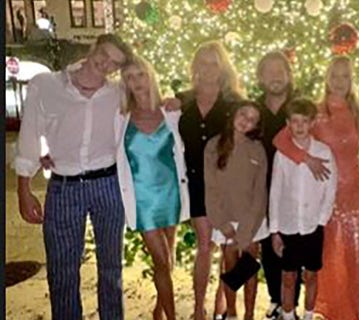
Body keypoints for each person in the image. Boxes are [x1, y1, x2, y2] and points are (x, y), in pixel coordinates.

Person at [15, 34, 132, 320]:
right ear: (94, 47)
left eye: (114, 64)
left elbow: (147, 113)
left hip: (108, 185)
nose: (106, 64)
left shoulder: (119, 93)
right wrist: (23, 187)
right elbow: (29, 135)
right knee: (62, 269)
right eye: (104, 54)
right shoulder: (46, 85)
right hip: (64, 187)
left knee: (111, 268)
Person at [272, 56, 359, 319]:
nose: (340, 82)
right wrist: (306, 158)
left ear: (352, 80)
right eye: (335, 75)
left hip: (355, 195)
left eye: (345, 76)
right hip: (322, 196)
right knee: (326, 260)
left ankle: (353, 312)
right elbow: (281, 140)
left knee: (354, 254)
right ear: (327, 78)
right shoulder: (315, 112)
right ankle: (326, 311)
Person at [115, 55, 191, 320]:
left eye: (141, 75)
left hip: (170, 193)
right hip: (142, 199)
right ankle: (170, 317)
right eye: (129, 77)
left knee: (168, 259)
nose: (136, 82)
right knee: (160, 261)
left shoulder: (171, 112)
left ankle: (159, 310)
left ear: (151, 76)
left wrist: (181, 99)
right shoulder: (120, 117)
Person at [177, 40, 243, 320]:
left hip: (228, 186)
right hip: (196, 184)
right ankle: (198, 309)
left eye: (213, 63)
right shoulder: (182, 100)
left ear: (223, 67)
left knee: (233, 249)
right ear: (195, 67)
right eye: (202, 63)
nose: (208, 69)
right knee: (204, 246)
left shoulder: (235, 103)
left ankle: (223, 302)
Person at [267, 98, 338, 320]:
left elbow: (330, 187)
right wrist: (275, 229)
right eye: (294, 122)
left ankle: (308, 314)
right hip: (288, 226)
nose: (299, 126)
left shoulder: (324, 151)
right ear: (288, 123)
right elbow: (275, 191)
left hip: (312, 225)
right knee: (288, 276)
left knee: (311, 275)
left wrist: (321, 219)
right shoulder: (283, 154)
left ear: (312, 123)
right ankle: (288, 315)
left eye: (304, 121)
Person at [204, 101, 267, 320]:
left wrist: (247, 229)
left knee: (249, 270)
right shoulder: (214, 145)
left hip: (252, 222)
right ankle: (231, 312)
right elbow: (211, 188)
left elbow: (260, 192)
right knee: (230, 269)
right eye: (243, 115)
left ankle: (249, 313)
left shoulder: (257, 150)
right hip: (226, 221)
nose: (245, 122)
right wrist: (224, 225)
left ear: (256, 126)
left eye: (252, 120)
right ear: (234, 114)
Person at [254, 51, 303, 319]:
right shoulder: (253, 110)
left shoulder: (301, 108)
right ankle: (275, 300)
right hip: (260, 190)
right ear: (261, 77)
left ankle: (290, 305)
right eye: (269, 71)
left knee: (292, 248)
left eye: (280, 70)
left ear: (288, 74)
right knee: (266, 246)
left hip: (295, 190)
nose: (275, 76)